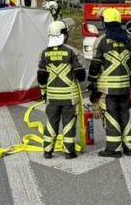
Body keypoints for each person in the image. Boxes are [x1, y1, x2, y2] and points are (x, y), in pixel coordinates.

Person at [87, 8, 131, 158]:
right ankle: (129, 147)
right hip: (124, 88)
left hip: (108, 89)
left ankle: (113, 149)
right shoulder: (127, 40)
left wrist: (92, 85)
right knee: (125, 115)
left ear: (105, 23)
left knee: (111, 116)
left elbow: (95, 66)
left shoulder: (102, 41)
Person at [37, 20, 86, 159]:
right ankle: (69, 152)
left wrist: (43, 92)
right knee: (69, 124)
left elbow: (41, 76)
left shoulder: (44, 53)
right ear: (63, 35)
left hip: (52, 97)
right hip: (69, 98)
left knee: (51, 123)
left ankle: (47, 151)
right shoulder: (70, 52)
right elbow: (80, 74)